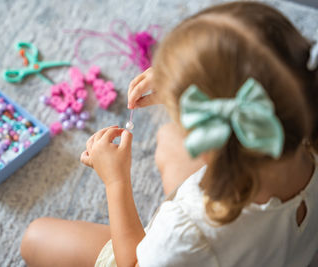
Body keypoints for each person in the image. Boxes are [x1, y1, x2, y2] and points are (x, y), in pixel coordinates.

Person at [20, 2, 318, 266]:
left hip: (194, 252)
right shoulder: (307, 133)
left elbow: (133, 263)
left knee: (35, 238)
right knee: (168, 141)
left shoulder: (187, 232)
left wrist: (116, 181)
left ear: (211, 138)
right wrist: (182, 79)